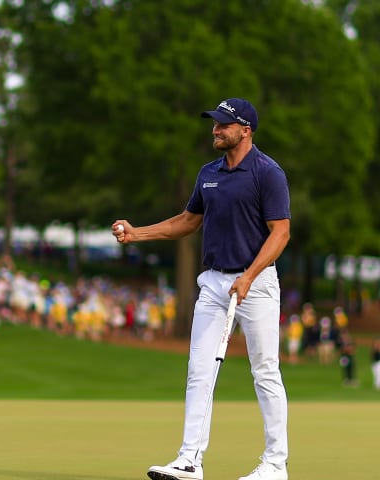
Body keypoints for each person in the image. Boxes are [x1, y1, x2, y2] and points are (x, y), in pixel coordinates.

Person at [113, 98, 291, 480]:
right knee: (199, 369)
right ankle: (190, 459)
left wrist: (250, 275)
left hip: (256, 284)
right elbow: (187, 221)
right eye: (214, 124)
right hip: (213, 283)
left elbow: (281, 233)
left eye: (223, 125)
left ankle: (276, 464)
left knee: (265, 371)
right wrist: (136, 233)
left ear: (245, 130)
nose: (214, 129)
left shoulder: (267, 173)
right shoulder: (208, 173)